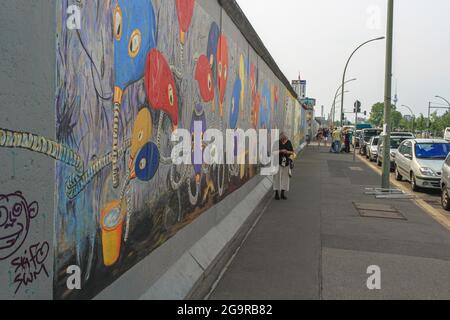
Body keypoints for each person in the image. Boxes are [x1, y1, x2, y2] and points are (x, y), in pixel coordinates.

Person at [274, 132, 294, 200]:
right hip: (278, 163)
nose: (284, 140)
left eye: (285, 139)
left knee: (285, 179)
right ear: (280, 138)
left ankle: (282, 193)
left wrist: (287, 152)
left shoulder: (289, 142)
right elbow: (273, 152)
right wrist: (280, 151)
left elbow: (292, 152)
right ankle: (276, 193)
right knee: (277, 178)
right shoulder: (277, 142)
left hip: (286, 163)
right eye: (283, 139)